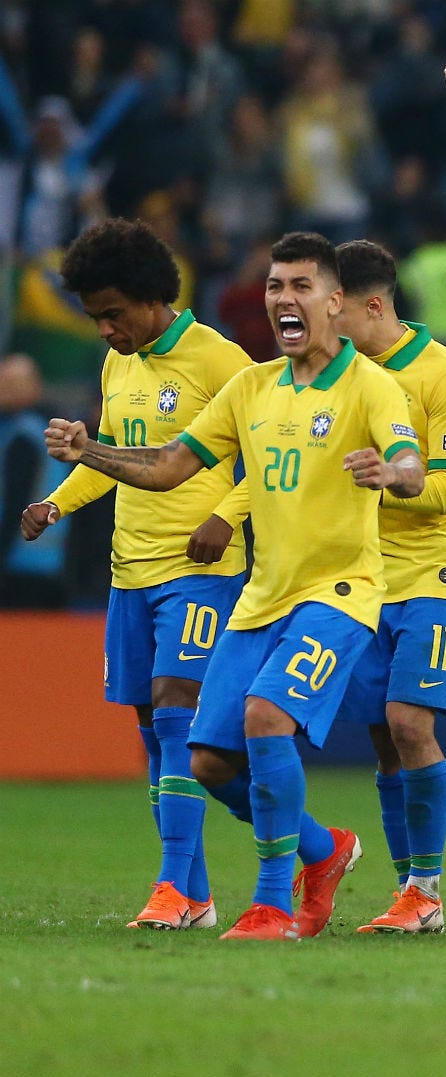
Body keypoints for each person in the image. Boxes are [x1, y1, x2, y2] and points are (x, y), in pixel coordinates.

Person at [43, 231, 425, 940]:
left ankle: (271, 904)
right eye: (276, 286)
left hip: (339, 593)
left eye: (301, 286)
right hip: (261, 600)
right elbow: (165, 465)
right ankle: (325, 853)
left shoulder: (373, 387)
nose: (284, 298)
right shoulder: (250, 388)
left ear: (336, 302)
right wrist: (86, 449)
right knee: (210, 760)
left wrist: (393, 475)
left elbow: (409, 462)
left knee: (264, 720)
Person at [17, 219, 252, 929]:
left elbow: (274, 462)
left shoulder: (222, 361)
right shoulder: (119, 363)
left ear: (154, 298)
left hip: (200, 569)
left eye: (113, 314)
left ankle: (171, 889)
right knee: (155, 729)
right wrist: (56, 502)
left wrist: (228, 516)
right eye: (95, 318)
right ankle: (219, 886)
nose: (104, 331)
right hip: (132, 572)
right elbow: (113, 459)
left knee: (178, 707)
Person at [329, 239, 446, 934]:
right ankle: (408, 895)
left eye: (336, 311)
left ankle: (428, 889)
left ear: (371, 304)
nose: (326, 325)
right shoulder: (336, 377)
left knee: (407, 722)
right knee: (383, 740)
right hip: (363, 576)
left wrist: (394, 479)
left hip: (435, 570)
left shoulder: (443, 375)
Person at [3, 354, 73, 608]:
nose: (4, 388)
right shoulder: (52, 430)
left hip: (18, 567)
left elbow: (14, 504)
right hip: (52, 564)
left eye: (13, 382)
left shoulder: (23, 436)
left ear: (35, 386)